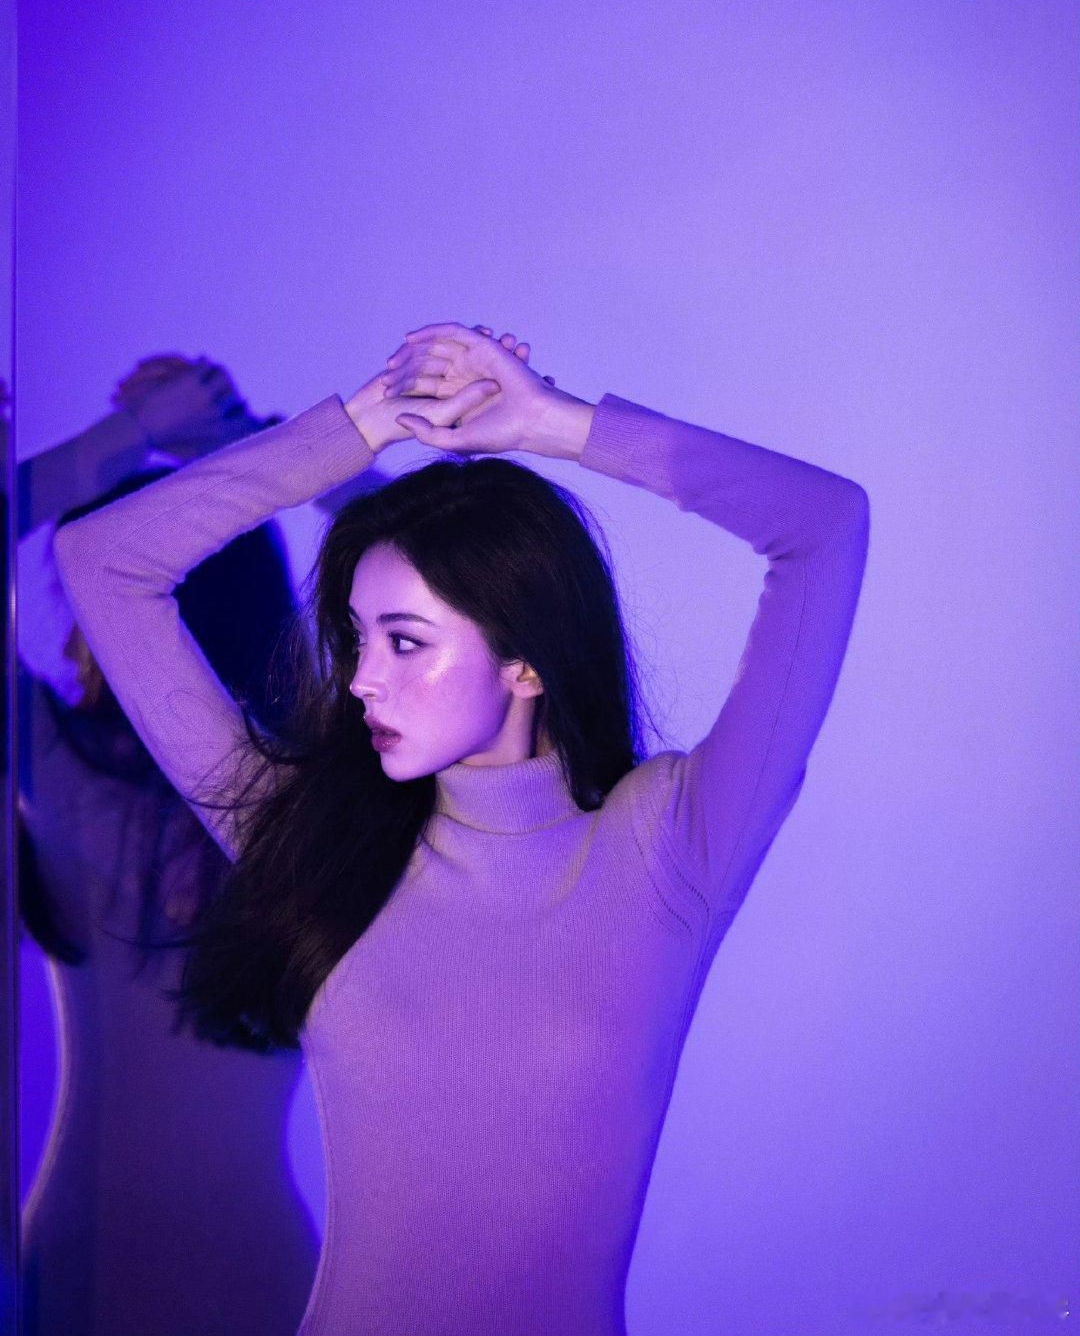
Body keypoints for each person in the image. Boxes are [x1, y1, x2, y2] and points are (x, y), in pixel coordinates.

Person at [52, 321, 870, 1336]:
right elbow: (102, 561)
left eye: (404, 642)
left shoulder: (670, 844)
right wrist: (364, 423)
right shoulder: (305, 839)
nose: (361, 678)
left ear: (525, 659)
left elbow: (824, 525)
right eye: (356, 637)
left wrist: (555, 423)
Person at [15, 356, 327, 1336]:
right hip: (256, 1278)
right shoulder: (324, 805)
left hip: (81, 1270)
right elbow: (462, 579)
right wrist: (274, 457)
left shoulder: (50, 765)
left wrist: (131, 434)